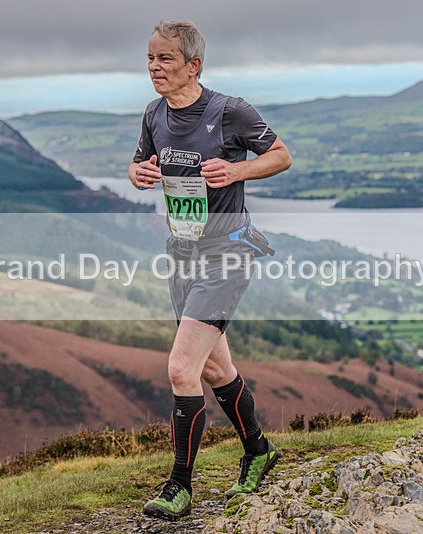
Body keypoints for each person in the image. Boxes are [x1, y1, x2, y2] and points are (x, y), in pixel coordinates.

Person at [128, 19, 292, 521]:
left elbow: (282, 156)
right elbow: (140, 163)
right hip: (183, 254)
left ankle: (179, 484)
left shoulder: (229, 112)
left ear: (193, 65)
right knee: (216, 368)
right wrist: (137, 173)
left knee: (181, 368)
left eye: (165, 59)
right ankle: (259, 451)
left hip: (229, 252)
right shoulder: (154, 113)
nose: (154, 67)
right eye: (151, 58)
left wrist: (238, 168)